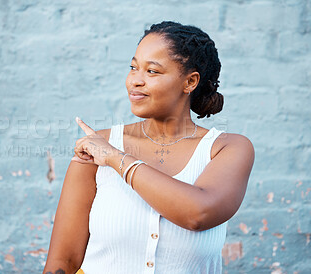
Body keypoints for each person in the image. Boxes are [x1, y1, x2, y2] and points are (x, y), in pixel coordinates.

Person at [42, 21, 255, 274]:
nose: (135, 81)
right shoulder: (97, 146)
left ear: (190, 81)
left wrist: (115, 158)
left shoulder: (227, 148)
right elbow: (63, 262)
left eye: (152, 71)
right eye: (133, 68)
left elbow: (198, 214)